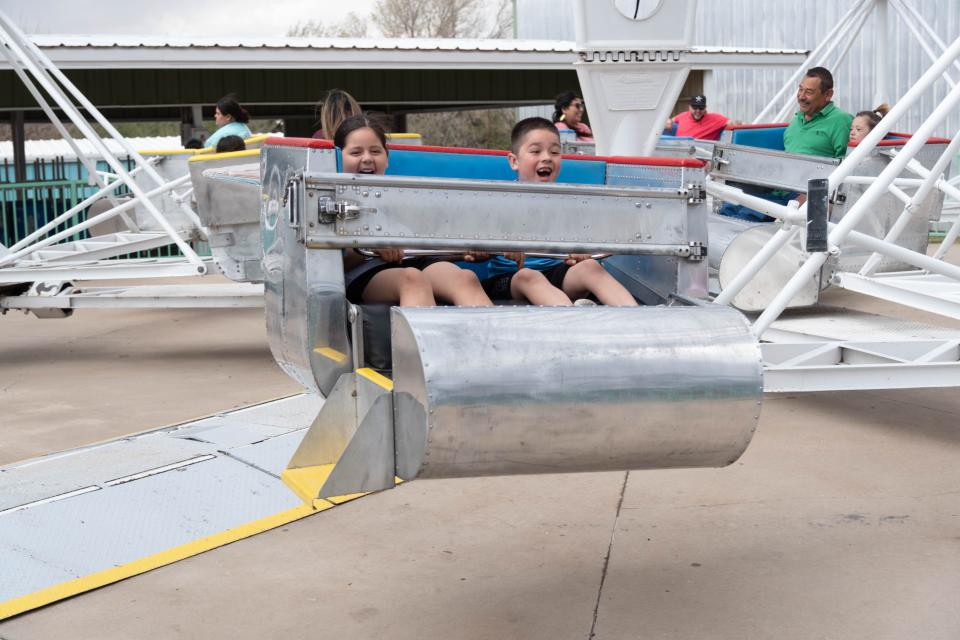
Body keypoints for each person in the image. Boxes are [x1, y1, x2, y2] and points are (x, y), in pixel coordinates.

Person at [477, 117, 637, 306]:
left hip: (556, 273)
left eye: (554, 152)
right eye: (536, 151)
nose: (546, 157)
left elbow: (584, 245)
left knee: (590, 267)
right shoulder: (497, 202)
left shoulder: (569, 203)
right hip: (510, 278)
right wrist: (499, 245)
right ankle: (571, 324)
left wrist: (581, 253)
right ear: (514, 161)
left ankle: (640, 321)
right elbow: (475, 245)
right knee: (529, 276)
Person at [334, 115, 492, 307]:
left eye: (375, 151)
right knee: (412, 280)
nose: (367, 159)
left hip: (413, 262)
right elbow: (333, 263)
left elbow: (423, 248)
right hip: (365, 271)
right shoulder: (333, 199)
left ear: (387, 158)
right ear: (338, 157)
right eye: (356, 152)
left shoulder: (404, 196)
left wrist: (465, 250)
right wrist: (373, 247)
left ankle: (493, 337)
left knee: (465, 278)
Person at [783, 67, 853, 159]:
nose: (801, 97)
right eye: (800, 89)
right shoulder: (795, 120)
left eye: (809, 92)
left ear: (828, 95)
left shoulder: (842, 121)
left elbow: (849, 164)